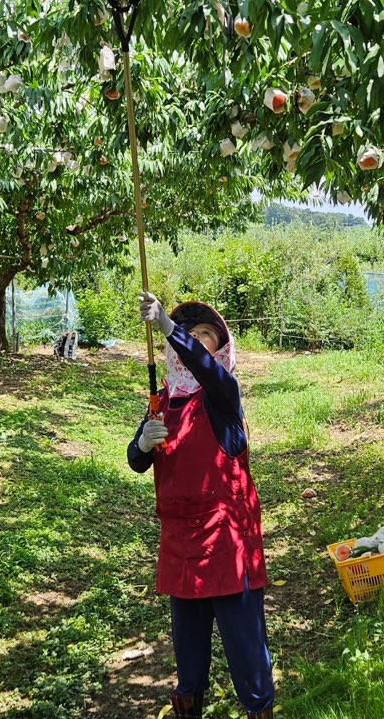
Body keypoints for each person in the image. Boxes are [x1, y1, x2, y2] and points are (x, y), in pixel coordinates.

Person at [127, 291, 275, 719]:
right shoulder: (162, 399)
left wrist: (170, 330)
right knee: (188, 654)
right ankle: (188, 707)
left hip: (227, 540)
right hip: (180, 543)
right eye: (190, 332)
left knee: (246, 649)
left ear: (221, 348)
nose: (195, 339)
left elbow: (207, 371)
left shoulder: (223, 394)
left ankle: (258, 710)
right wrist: (140, 443)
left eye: (206, 335)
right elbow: (137, 462)